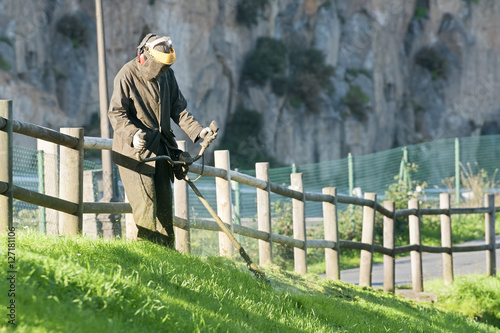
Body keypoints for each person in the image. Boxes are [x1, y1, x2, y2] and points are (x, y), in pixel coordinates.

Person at [108, 33, 214, 248]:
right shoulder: (126, 75)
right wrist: (133, 134)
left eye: (166, 67)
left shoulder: (167, 75)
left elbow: (179, 109)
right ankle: (147, 259)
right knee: (146, 208)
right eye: (160, 66)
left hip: (161, 151)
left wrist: (199, 131)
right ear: (145, 56)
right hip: (135, 154)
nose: (162, 71)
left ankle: (168, 258)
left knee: (165, 208)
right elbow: (116, 113)